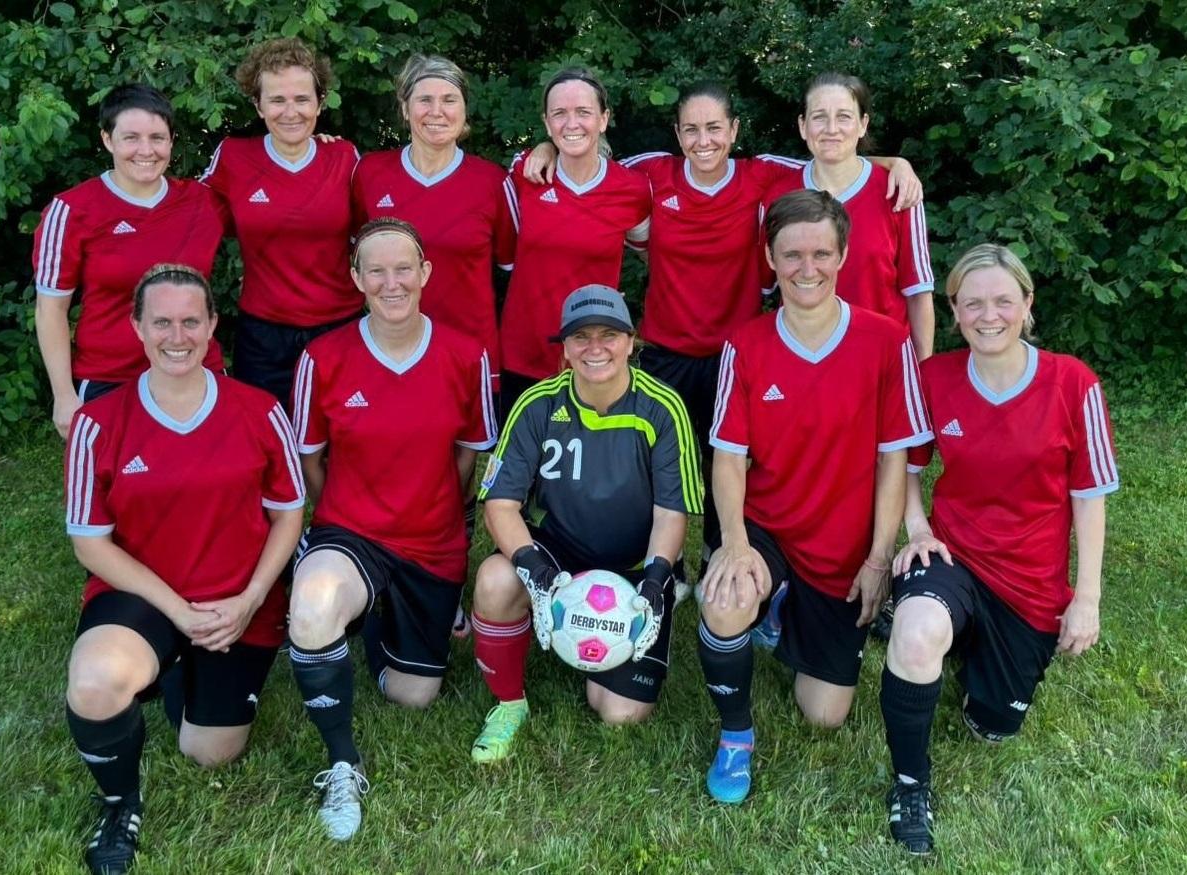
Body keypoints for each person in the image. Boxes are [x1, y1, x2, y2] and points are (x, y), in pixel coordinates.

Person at [519, 81, 923, 603]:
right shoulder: (652, 175)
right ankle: (657, 558)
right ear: (676, 134)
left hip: (735, 351)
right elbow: (591, 151)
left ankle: (718, 550)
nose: (703, 140)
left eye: (715, 128)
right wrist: (548, 146)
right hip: (666, 349)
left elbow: (829, 156)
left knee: (722, 458)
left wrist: (895, 163)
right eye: (690, 129)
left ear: (733, 131)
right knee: (651, 456)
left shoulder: (761, 177)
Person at [62, 264, 304, 875]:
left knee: (209, 753)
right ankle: (120, 807)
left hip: (236, 602)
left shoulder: (259, 409)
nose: (178, 335)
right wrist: (176, 611)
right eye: (162, 321)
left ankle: (180, 668)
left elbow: (288, 516)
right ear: (137, 327)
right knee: (94, 685)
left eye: (191, 320)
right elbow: (92, 545)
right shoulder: (98, 424)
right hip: (146, 598)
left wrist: (249, 599)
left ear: (213, 325)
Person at [879, 244, 1118, 855]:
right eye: (973, 302)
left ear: (1027, 304)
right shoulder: (935, 378)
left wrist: (1085, 599)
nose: (989, 315)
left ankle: (968, 651)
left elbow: (1089, 498)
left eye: (1003, 300)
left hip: (1031, 585)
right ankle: (911, 784)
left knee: (992, 726)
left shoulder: (1074, 383)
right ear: (954, 310)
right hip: (956, 557)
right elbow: (906, 462)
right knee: (915, 633)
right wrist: (918, 529)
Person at [698, 189, 932, 804]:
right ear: (770, 259)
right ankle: (736, 736)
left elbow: (894, 460)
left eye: (822, 253)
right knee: (724, 599)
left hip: (840, 544)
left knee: (824, 712)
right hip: (768, 528)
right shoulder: (744, 344)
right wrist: (734, 543)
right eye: (792, 254)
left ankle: (780, 618)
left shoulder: (886, 342)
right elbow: (727, 456)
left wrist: (880, 559)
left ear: (844, 254)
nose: (808, 268)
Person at [287, 218, 496, 841]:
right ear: (356, 278)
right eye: (375, 270)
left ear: (426, 273)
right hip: (352, 532)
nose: (391, 281)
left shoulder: (467, 355)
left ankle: (373, 624)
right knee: (313, 603)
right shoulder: (322, 357)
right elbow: (311, 462)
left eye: (403, 267)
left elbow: (467, 458)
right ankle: (343, 765)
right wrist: (337, 524)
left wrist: (445, 522)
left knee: (415, 694)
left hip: (432, 546)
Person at [469, 285, 702, 762]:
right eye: (581, 337)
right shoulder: (537, 404)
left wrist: (657, 580)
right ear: (565, 348)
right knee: (495, 580)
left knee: (618, 712)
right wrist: (537, 572)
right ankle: (509, 703)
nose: (595, 348)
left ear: (631, 341)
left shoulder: (662, 407)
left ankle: (636, 627)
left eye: (609, 335)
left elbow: (670, 513)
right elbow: (501, 504)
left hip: (635, 566)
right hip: (561, 550)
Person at [34, 84, 227, 439]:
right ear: (108, 139)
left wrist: (313, 142)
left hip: (197, 371)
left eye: (157, 137)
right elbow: (50, 311)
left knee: (207, 486)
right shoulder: (73, 211)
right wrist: (64, 396)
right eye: (131, 137)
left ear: (171, 142)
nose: (146, 150)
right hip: (111, 378)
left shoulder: (204, 203)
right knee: (116, 491)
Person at [199, 38, 361, 406]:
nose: (291, 112)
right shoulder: (233, 157)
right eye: (277, 100)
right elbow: (184, 216)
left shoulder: (344, 157)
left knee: (338, 441)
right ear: (258, 105)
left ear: (319, 103)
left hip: (339, 326)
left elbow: (375, 235)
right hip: (263, 333)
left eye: (302, 99)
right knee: (263, 437)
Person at [352, 53, 516, 390]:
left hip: (470, 358)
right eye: (425, 99)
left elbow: (512, 267)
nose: (437, 111)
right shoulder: (369, 173)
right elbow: (358, 254)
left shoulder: (493, 182)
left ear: (464, 110)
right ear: (405, 108)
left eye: (449, 100)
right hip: (386, 355)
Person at [498, 68, 651, 416]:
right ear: (547, 123)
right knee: (518, 467)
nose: (572, 123)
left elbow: (651, 257)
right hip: (525, 352)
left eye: (583, 112)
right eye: (559, 113)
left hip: (594, 356)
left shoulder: (632, 190)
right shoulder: (526, 176)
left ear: (604, 119)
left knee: (591, 468)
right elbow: (505, 257)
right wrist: (542, 148)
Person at [764, 72, 935, 360]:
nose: (831, 129)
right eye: (819, 117)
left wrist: (922, 374)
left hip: (882, 361)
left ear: (862, 124)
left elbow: (918, 295)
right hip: (804, 359)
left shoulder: (899, 191)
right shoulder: (777, 193)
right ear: (803, 126)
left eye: (844, 116)